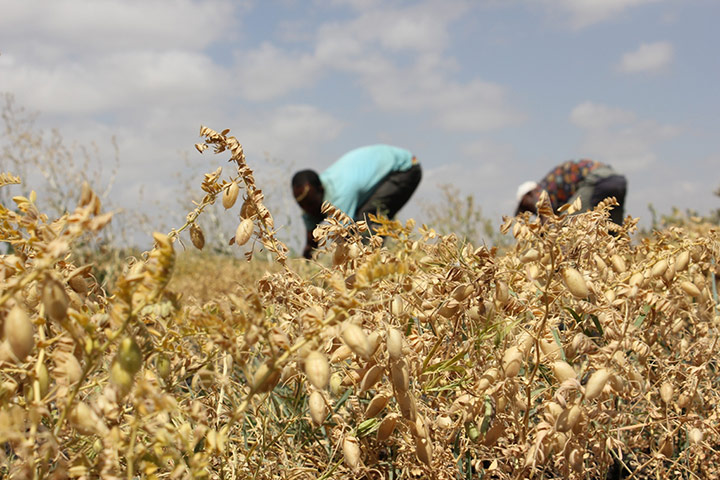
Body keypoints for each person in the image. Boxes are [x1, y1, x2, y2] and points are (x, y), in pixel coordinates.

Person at [292, 144, 422, 259]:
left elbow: (344, 237)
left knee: (367, 219)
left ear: (320, 190)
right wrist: (306, 262)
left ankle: (369, 268)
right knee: (361, 223)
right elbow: (311, 240)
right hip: (383, 171)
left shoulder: (340, 194)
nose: (307, 209)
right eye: (302, 205)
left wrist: (339, 273)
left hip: (405, 168)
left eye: (310, 204)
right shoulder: (311, 199)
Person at [515, 159, 627, 225]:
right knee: (615, 232)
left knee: (566, 225)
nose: (529, 209)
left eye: (525, 204)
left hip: (598, 179)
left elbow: (548, 221)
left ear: (529, 195)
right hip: (618, 180)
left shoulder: (540, 192)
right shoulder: (552, 186)